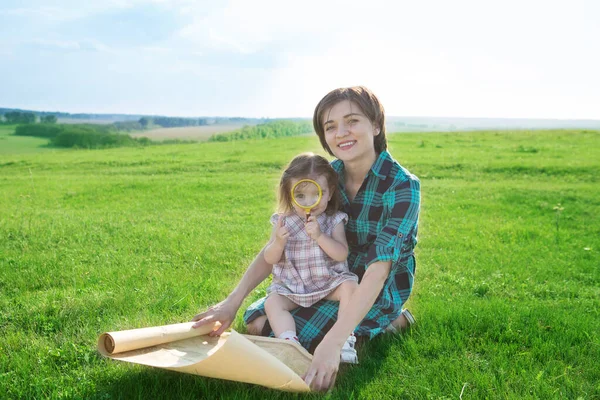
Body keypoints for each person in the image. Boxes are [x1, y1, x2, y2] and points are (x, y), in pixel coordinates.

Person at [192, 86, 420, 392]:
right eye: (330, 126)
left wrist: (334, 343)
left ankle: (392, 320)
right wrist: (232, 302)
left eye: (352, 121)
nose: (341, 133)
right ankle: (357, 328)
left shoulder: (403, 185)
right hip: (323, 277)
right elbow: (285, 240)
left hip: (372, 284)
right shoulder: (325, 178)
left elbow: (378, 271)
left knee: (313, 341)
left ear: (376, 125)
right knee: (257, 321)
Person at [263, 153, 359, 363]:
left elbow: (341, 253)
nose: (310, 202)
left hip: (328, 281)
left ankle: (344, 340)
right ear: (289, 195)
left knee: (350, 285)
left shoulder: (334, 220)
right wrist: (278, 242)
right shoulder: (283, 222)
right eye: (301, 196)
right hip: (292, 286)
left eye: (318, 193)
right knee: (272, 302)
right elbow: (269, 258)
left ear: (330, 192)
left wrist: (320, 236)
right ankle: (289, 342)